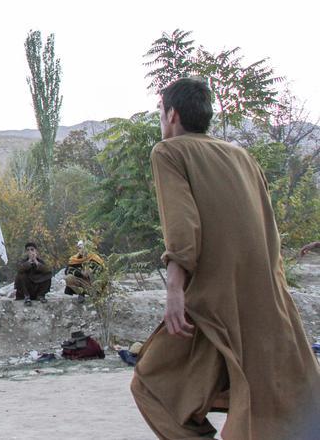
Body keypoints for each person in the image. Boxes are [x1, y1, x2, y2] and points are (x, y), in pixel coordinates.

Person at [131, 78, 320, 439]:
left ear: (171, 114)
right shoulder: (242, 156)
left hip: (210, 310)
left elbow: (183, 228)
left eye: (160, 112)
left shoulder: (168, 152)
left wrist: (174, 291)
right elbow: (270, 232)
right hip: (263, 307)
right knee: (252, 392)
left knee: (151, 385)